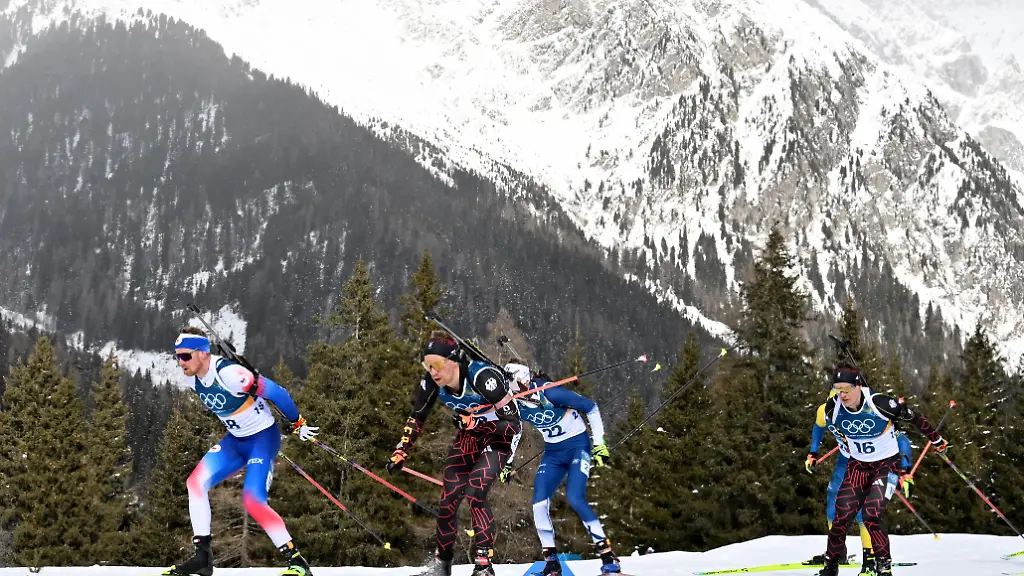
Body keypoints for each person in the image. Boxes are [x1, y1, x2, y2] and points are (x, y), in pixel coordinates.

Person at [165, 327, 320, 576]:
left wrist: (297, 422)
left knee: (252, 499)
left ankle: (297, 561)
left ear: (203, 353)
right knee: (194, 483)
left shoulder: (230, 374)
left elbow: (278, 393)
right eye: (177, 356)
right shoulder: (191, 378)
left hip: (262, 440)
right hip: (236, 441)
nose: (180, 362)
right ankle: (202, 559)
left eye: (185, 356)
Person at [386, 331, 522, 576]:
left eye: (437, 364)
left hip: (498, 436)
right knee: (448, 499)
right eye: (427, 365)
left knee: (475, 491)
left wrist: (477, 425)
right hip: (469, 437)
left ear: (454, 360)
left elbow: (514, 424)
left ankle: (483, 565)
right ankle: (442, 565)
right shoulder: (431, 383)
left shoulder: (482, 377)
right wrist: (400, 451)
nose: (433, 371)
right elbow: (417, 418)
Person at [815, 366, 948, 576]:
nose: (842, 394)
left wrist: (936, 439)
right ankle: (830, 567)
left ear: (859, 385)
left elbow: (914, 417)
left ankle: (883, 569)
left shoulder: (880, 404)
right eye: (837, 389)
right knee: (842, 516)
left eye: (847, 389)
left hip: (886, 465)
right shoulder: (833, 408)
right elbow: (837, 430)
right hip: (858, 465)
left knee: (871, 515)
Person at [498, 361, 620, 575]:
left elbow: (591, 406)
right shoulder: (514, 404)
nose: (513, 395)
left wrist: (599, 442)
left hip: (577, 446)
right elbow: (514, 432)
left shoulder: (551, 392)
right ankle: (552, 562)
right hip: (553, 453)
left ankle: (608, 555)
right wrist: (508, 463)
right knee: (538, 504)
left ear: (526, 382)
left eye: (515, 389)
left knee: (575, 497)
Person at [805, 390, 915, 574]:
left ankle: (870, 558)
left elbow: (902, 440)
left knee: (864, 511)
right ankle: (838, 553)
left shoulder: (867, 412)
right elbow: (819, 426)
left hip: (871, 462)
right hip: (845, 460)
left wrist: (905, 470)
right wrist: (813, 452)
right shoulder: (825, 410)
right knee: (834, 506)